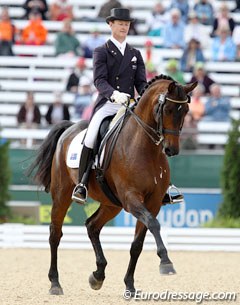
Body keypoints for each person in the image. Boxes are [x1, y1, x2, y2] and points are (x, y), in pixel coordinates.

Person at [72, 8, 183, 205]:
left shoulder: (135, 54)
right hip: (108, 104)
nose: (124, 27)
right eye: (120, 23)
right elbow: (99, 80)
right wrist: (114, 94)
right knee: (90, 137)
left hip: (130, 105)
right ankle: (82, 184)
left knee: (154, 136)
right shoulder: (101, 51)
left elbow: (141, 84)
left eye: (126, 24)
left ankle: (165, 185)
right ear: (111, 25)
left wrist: (151, 97)